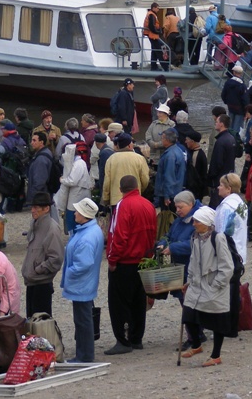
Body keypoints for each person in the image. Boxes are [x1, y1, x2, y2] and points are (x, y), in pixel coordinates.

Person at [104, 175, 156, 355]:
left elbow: (118, 234)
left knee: (120, 303)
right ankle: (136, 337)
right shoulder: (148, 205)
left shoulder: (122, 206)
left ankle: (123, 339)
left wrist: (112, 260)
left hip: (125, 261)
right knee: (138, 300)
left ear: (121, 189)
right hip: (144, 260)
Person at [179, 206, 236, 367]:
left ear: (206, 222)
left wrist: (216, 284)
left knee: (217, 320)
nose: (194, 224)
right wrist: (189, 281)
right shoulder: (195, 237)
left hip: (213, 286)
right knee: (188, 314)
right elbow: (193, 261)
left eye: (197, 221)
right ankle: (196, 345)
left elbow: (227, 266)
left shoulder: (218, 238)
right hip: (197, 285)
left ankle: (216, 355)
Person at [60, 197, 103, 363]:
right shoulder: (90, 231)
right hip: (85, 283)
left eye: (78, 211)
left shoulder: (86, 237)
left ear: (85, 215)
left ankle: (84, 355)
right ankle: (84, 354)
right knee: (83, 319)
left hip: (81, 284)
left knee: (82, 321)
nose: (75, 213)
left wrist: (69, 273)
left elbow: (83, 263)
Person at [22, 193, 64, 316]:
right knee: (31, 323)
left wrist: (38, 269)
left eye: (36, 207)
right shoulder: (35, 224)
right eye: (32, 207)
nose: (32, 210)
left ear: (46, 209)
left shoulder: (52, 228)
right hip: (32, 282)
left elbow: (56, 258)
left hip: (42, 283)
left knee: (41, 325)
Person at [58, 142, 94, 234]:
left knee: (73, 220)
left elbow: (72, 181)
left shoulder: (79, 164)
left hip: (77, 195)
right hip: (76, 194)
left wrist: (62, 180)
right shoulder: (77, 163)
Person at [143, 3, 166, 71]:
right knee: (158, 51)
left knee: (154, 51)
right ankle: (165, 67)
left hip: (152, 35)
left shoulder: (151, 14)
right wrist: (158, 32)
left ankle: (153, 67)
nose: (158, 10)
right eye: (158, 8)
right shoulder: (152, 15)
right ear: (153, 8)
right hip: (152, 35)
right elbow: (152, 26)